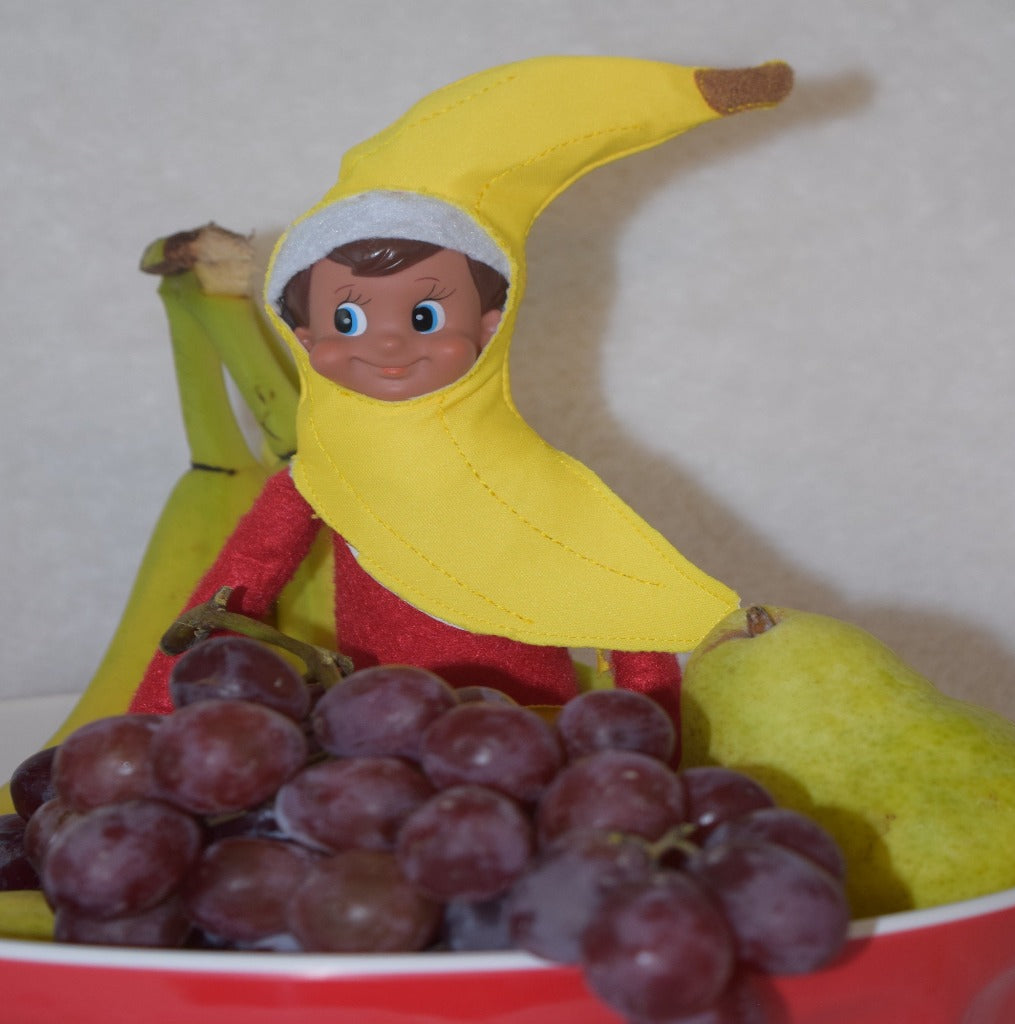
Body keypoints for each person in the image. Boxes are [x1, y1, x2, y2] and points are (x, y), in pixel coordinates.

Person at [130, 56, 793, 725]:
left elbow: (617, 595)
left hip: (533, 737)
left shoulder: (530, 479)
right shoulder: (320, 475)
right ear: (302, 335)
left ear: (489, 324)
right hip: (373, 741)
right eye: (349, 320)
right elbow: (229, 594)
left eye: (424, 317)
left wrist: (654, 735)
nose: (389, 344)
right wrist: (151, 721)